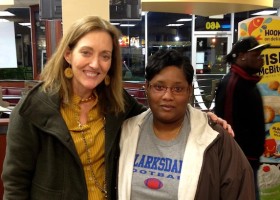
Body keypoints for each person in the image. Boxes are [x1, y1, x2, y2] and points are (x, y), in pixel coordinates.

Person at [1, 16, 232, 200]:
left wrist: (201, 118)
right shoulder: (33, 109)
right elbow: (15, 185)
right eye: (86, 52)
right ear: (68, 54)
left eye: (105, 56)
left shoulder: (115, 102)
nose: (95, 64)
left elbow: (157, 111)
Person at [118, 49, 255, 200]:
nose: (168, 96)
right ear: (147, 88)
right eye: (159, 87)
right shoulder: (126, 132)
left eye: (177, 89)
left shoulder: (215, 139)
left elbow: (240, 190)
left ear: (189, 91)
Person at [214, 36, 270, 200]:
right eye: (256, 55)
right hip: (240, 162)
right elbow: (226, 124)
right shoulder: (232, 83)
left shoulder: (247, 82)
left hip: (250, 160)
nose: (261, 59)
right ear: (241, 56)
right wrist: (235, 163)